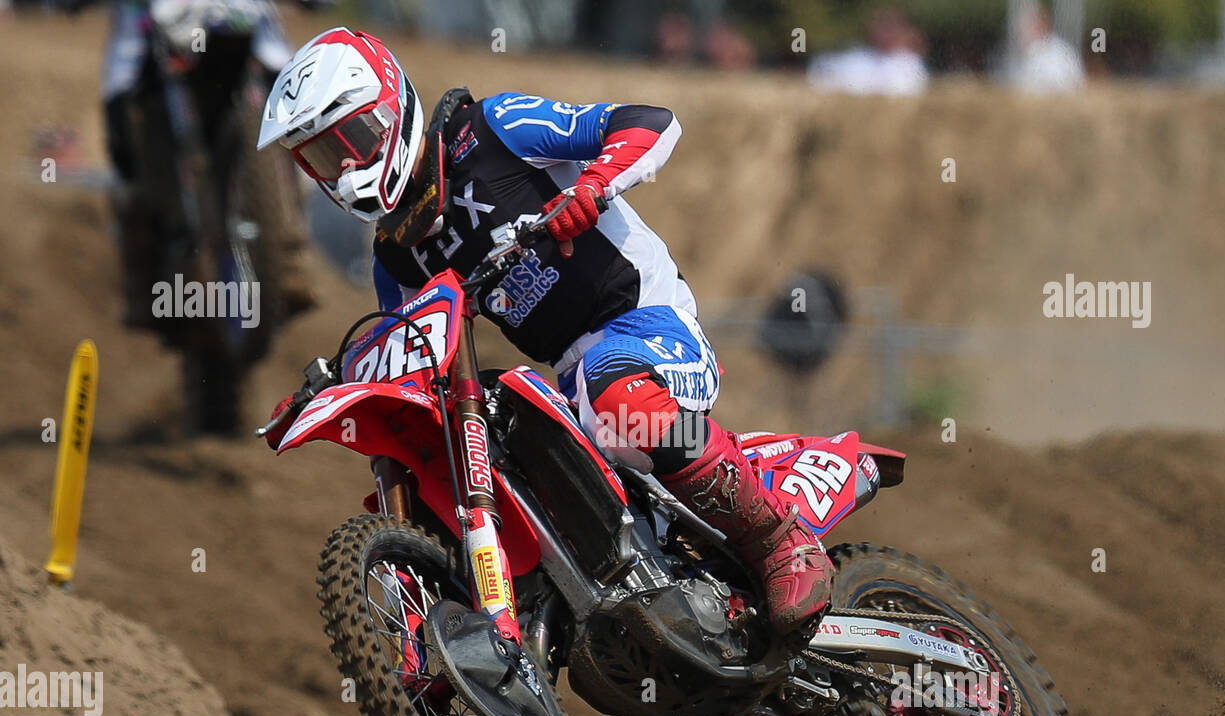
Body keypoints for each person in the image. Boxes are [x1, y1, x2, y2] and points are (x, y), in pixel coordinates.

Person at [257, 27, 833, 637]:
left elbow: (650, 121)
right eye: (321, 157)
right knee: (464, 445)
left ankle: (781, 542)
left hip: (649, 324)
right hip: (569, 375)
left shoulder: (492, 129)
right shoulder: (397, 258)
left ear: (388, 107)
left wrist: (590, 188)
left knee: (611, 396)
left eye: (350, 138)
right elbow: (407, 363)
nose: (344, 169)